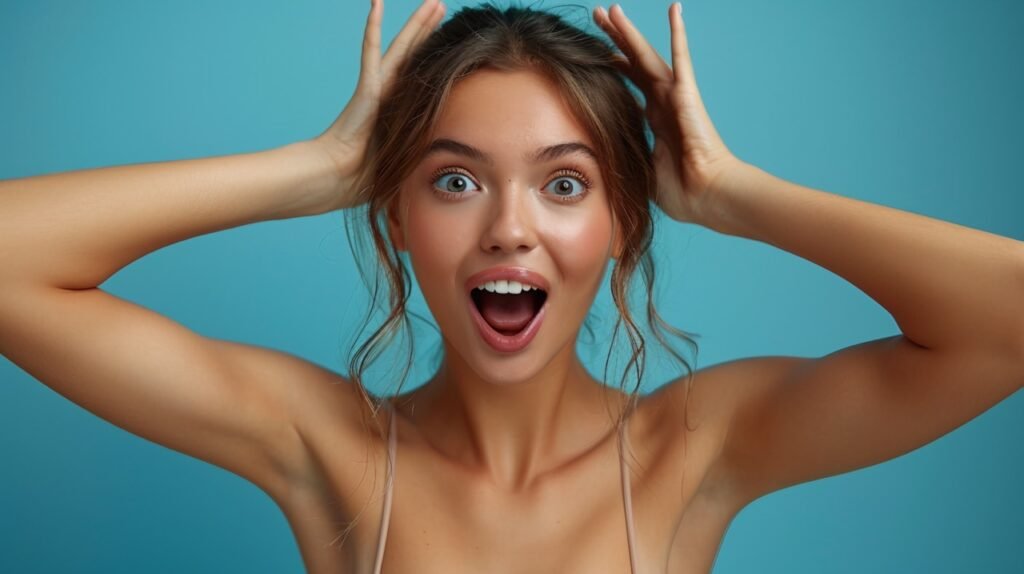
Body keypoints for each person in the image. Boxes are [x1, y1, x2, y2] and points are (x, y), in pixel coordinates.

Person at [1, 1, 1022, 572]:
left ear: (624, 221)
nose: (509, 229)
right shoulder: (322, 443)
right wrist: (313, 168)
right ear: (396, 220)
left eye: (565, 183)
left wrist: (734, 193)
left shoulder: (695, 446)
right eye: (454, 180)